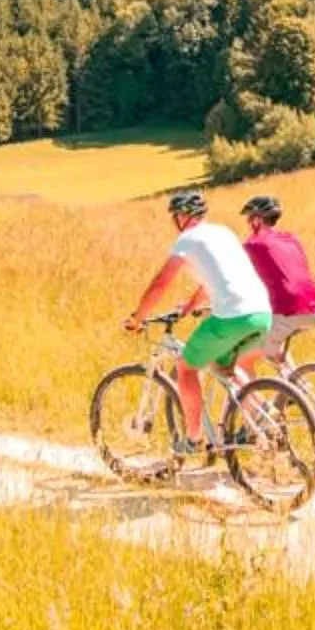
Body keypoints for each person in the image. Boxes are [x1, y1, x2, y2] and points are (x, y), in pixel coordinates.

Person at [124, 189, 276, 451]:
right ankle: (265, 412)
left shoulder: (188, 239)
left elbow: (160, 284)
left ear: (182, 216)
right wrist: (189, 306)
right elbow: (217, 277)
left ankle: (194, 440)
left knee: (186, 367)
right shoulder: (224, 233)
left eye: (175, 216)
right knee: (221, 365)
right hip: (262, 313)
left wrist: (138, 318)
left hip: (232, 317)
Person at [237, 193, 315, 364]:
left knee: (237, 359)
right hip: (313, 308)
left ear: (257, 220)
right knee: (273, 345)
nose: (248, 223)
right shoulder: (291, 239)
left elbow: (237, 279)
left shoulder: (253, 245)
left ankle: (268, 381)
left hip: (287, 312)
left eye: (249, 218)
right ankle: (295, 379)